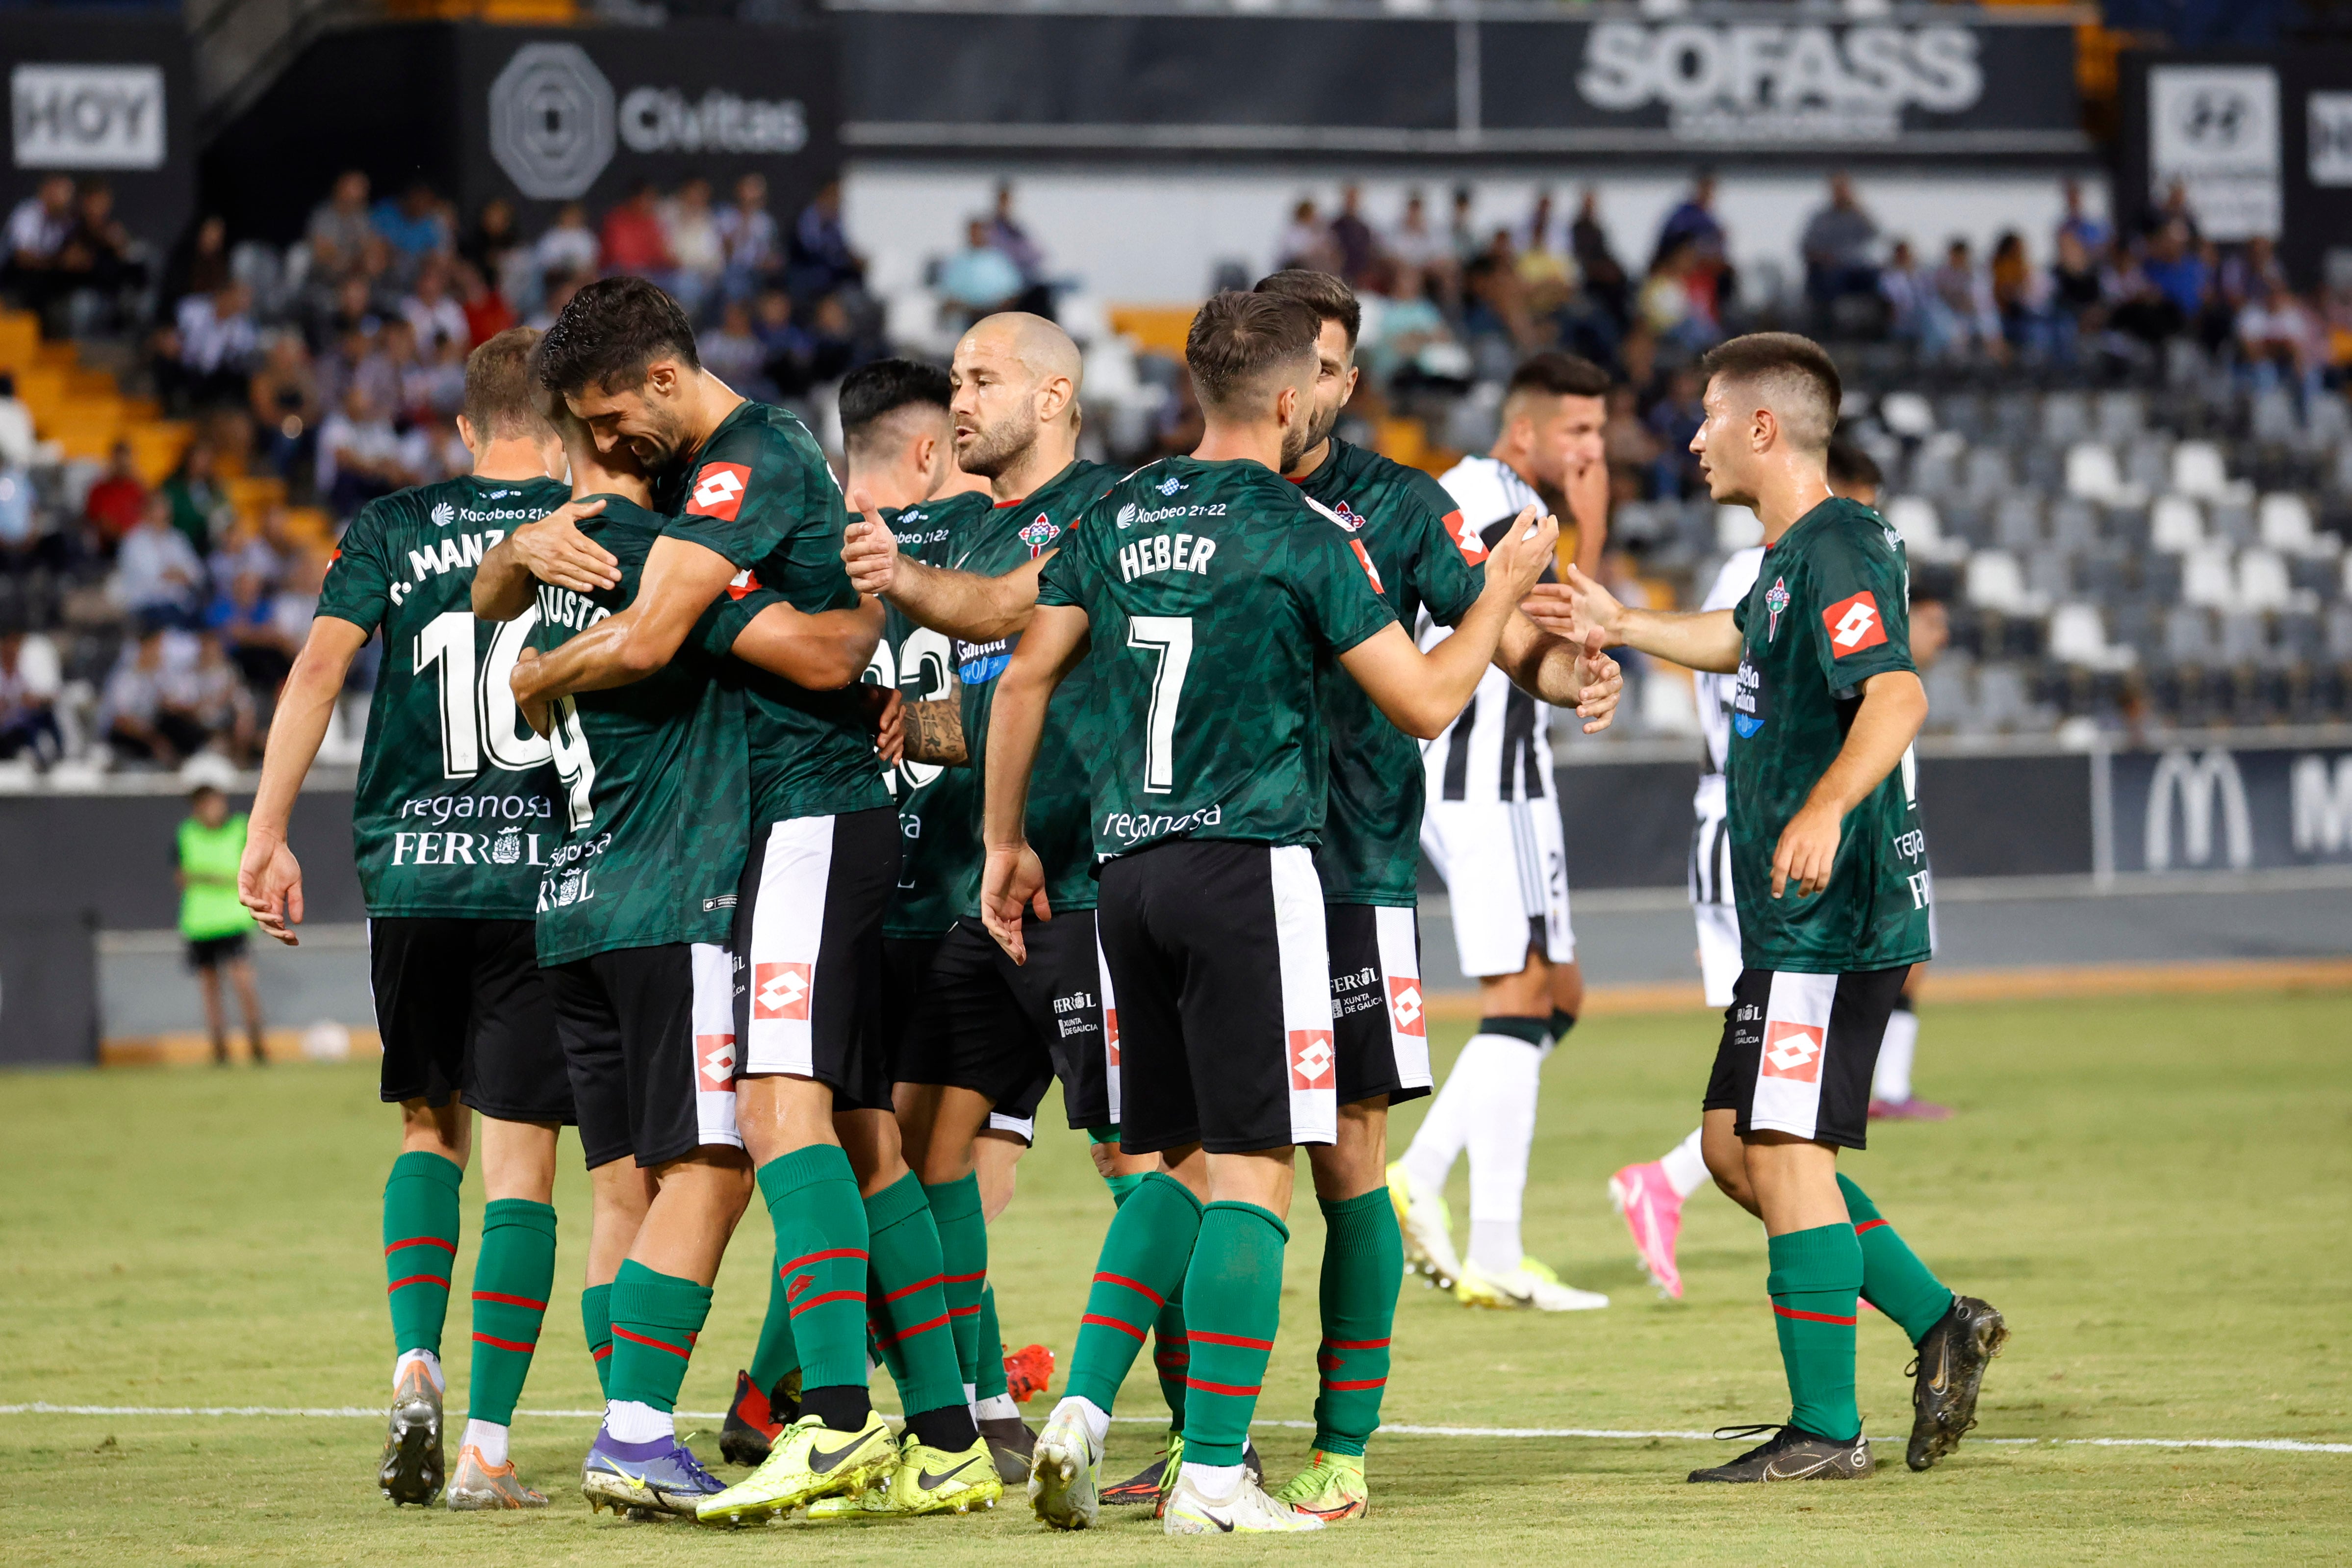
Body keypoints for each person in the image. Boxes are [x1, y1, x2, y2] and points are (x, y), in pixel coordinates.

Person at [998, 289, 1560, 1535]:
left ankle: (1085, 1410)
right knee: (1259, 1171)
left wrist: (1002, 841)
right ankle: (1211, 1476)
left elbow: (1027, 672)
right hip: (1255, 874)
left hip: (1124, 878)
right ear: (1293, 397)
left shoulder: (1118, 507)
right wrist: (1505, 581)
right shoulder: (1304, 527)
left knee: (1174, 1163)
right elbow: (1421, 700)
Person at [500, 277, 995, 1527]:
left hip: (804, 820)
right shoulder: (696, 480)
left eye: (613, 417)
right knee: (864, 1133)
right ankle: (946, 1438)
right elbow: (823, 646)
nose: (609, 446)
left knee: (773, 1116)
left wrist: (544, 670)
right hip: (809, 822)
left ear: (664, 380)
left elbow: (676, 636)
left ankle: (828, 1422)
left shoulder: (745, 456)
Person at [1550, 331, 2005, 1484]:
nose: (1692, 437)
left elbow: (1895, 694)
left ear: (1765, 427)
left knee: (1782, 1146)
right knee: (1734, 1147)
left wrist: (1826, 807)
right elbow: (1737, 639)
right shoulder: (1789, 560)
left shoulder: (1841, 544)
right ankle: (1941, 1318)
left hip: (1829, 910)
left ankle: (1824, 1427)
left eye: (1708, 416)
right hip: (1788, 918)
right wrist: (1625, 622)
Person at [1246, 268, 1621, 1518]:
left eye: (1347, 365)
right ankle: (1207, 1443)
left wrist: (1573, 676)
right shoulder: (1199, 493)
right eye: (1316, 361)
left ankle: (1341, 1446)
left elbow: (1507, 637)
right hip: (1210, 871)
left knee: (1349, 1154)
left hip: (1352, 867)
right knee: (1200, 1160)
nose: (1331, 386)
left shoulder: (1398, 505)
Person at [238, 328, 578, 1511]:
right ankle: (486, 1447)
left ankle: (413, 1356)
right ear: (565, 419)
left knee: (428, 1128)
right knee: (525, 1168)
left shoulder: (390, 527)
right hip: (544, 876)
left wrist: (266, 832)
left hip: (414, 874)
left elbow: (318, 674)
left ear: (465, 427)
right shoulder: (592, 524)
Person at [835, 318, 1135, 1495]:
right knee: (914, 1142)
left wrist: (903, 578)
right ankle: (966, 1410)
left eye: (982, 379)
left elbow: (1003, 613)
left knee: (1143, 1158)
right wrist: (929, 733)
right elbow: (1003, 695)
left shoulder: (1108, 507)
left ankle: (1208, 1435)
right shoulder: (971, 520)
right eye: (953, 381)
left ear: (1055, 393)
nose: (960, 397)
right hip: (990, 902)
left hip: (1094, 894)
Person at [1387, 350, 1614, 1313]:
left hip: (1510, 771)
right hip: (1486, 770)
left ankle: (1468, 1212)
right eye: (1578, 432)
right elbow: (1545, 618)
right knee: (1520, 991)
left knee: (1554, 992)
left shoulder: (1509, 491)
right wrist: (1589, 528)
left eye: (1601, 432)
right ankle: (1475, 1223)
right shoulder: (1484, 495)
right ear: (1523, 430)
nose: (1593, 449)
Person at [178, 785, 266, 1065]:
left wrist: (204, 877)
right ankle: (219, 1051)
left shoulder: (240, 829)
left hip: (233, 919)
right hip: (200, 923)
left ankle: (257, 1047)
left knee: (243, 982)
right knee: (210, 989)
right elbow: (181, 877)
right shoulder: (187, 834)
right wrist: (224, 879)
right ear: (198, 808)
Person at [1800, 173, 1880, 310]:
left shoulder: (1857, 215)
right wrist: (1823, 258)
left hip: (1857, 268)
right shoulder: (1821, 219)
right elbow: (1806, 246)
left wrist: (1858, 207)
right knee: (1829, 281)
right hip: (1832, 269)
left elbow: (1874, 233)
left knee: (1882, 280)